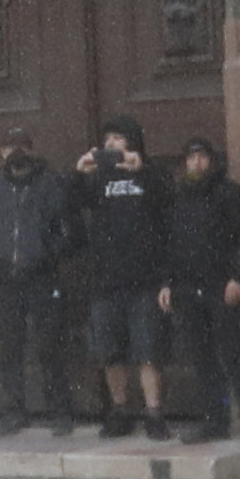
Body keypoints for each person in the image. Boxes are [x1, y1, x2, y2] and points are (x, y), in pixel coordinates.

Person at [0, 127, 77, 438]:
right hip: (6, 281)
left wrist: (45, 255)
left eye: (20, 147)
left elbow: (69, 231)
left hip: (42, 278)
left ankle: (60, 410)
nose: (14, 153)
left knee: (50, 346)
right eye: (8, 147)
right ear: (0, 153)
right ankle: (14, 410)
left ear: (31, 150)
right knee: (10, 348)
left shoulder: (51, 185)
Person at [72, 116, 172, 438]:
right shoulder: (98, 179)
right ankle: (119, 410)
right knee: (110, 351)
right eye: (108, 139)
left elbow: (168, 202)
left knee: (148, 350)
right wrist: (79, 172)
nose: (112, 145)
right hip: (106, 280)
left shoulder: (152, 174)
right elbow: (68, 203)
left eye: (119, 138)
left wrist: (140, 168)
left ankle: (153, 412)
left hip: (145, 279)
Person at [162, 137, 240, 446]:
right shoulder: (178, 198)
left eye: (202, 157)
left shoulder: (230, 194)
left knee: (232, 355)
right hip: (187, 290)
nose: (196, 163)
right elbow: (168, 242)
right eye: (191, 158)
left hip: (220, 288)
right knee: (201, 357)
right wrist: (167, 282)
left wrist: (239, 277)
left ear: (212, 160)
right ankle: (214, 420)